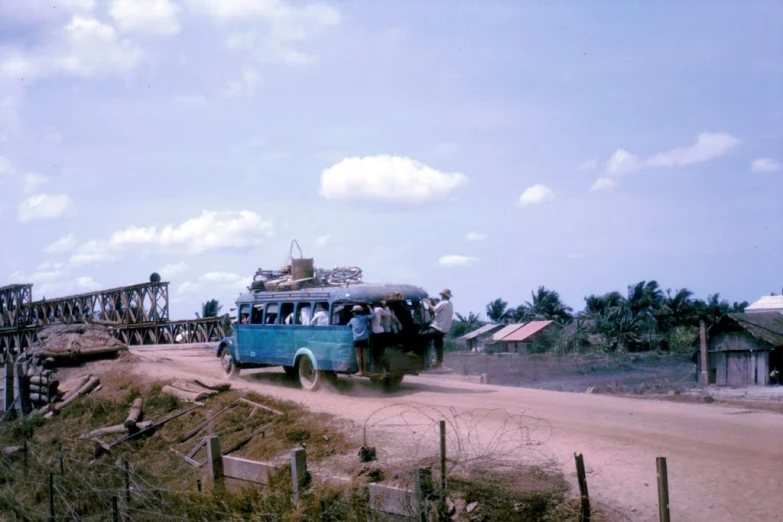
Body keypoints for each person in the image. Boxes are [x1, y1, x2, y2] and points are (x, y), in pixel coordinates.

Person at [420, 289, 454, 368]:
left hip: (437, 327)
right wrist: (434, 301)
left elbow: (434, 309)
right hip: (444, 329)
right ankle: (439, 360)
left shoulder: (442, 303)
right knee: (438, 344)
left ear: (443, 296)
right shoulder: (449, 304)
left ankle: (416, 352)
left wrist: (427, 302)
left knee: (422, 336)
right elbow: (437, 308)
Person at [348, 304, 375, 376]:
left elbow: (348, 325)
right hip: (364, 339)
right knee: (364, 355)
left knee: (358, 356)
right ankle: (365, 371)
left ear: (354, 312)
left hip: (356, 340)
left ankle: (360, 371)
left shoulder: (352, 320)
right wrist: (370, 308)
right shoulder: (364, 318)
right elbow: (373, 315)